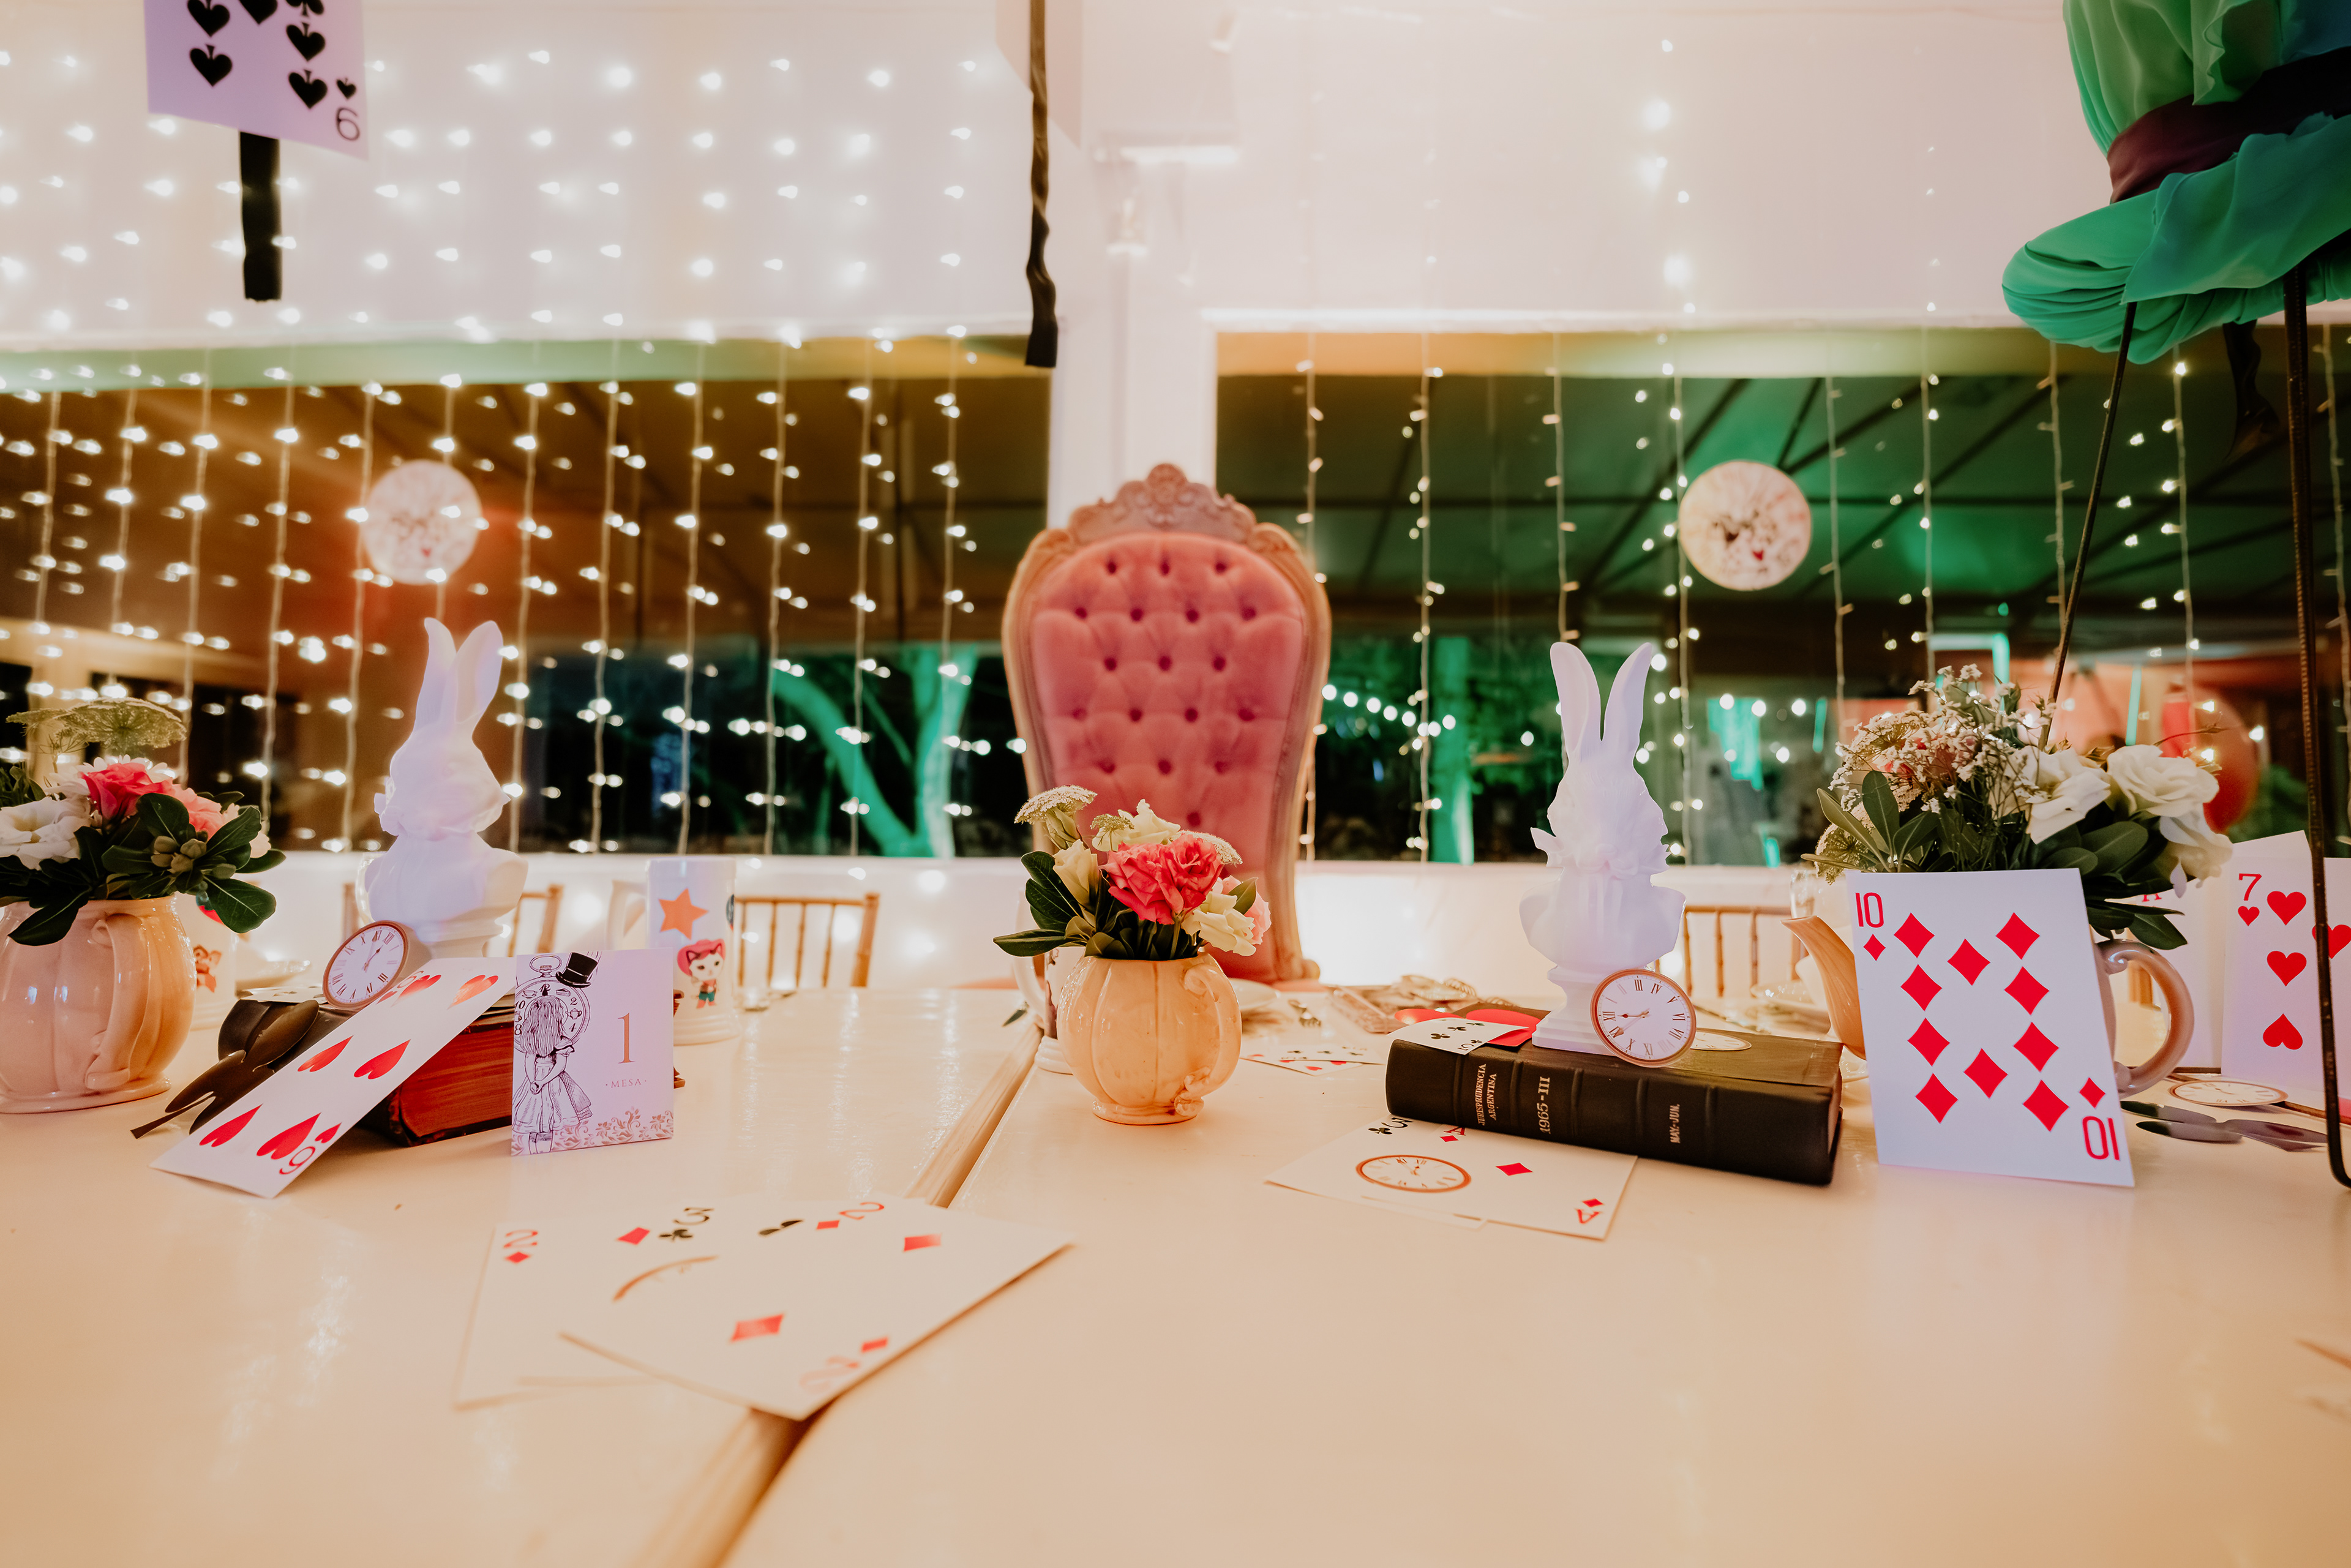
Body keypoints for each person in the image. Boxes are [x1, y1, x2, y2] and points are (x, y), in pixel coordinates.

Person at [514, 953, 596, 1146]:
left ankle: (535, 1152)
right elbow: (559, 1067)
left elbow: (529, 1061)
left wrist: (534, 1081)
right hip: (553, 1082)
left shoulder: (531, 1039)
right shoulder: (561, 1041)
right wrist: (542, 1082)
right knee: (548, 1122)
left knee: (535, 1122)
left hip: (534, 1081)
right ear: (556, 1017)